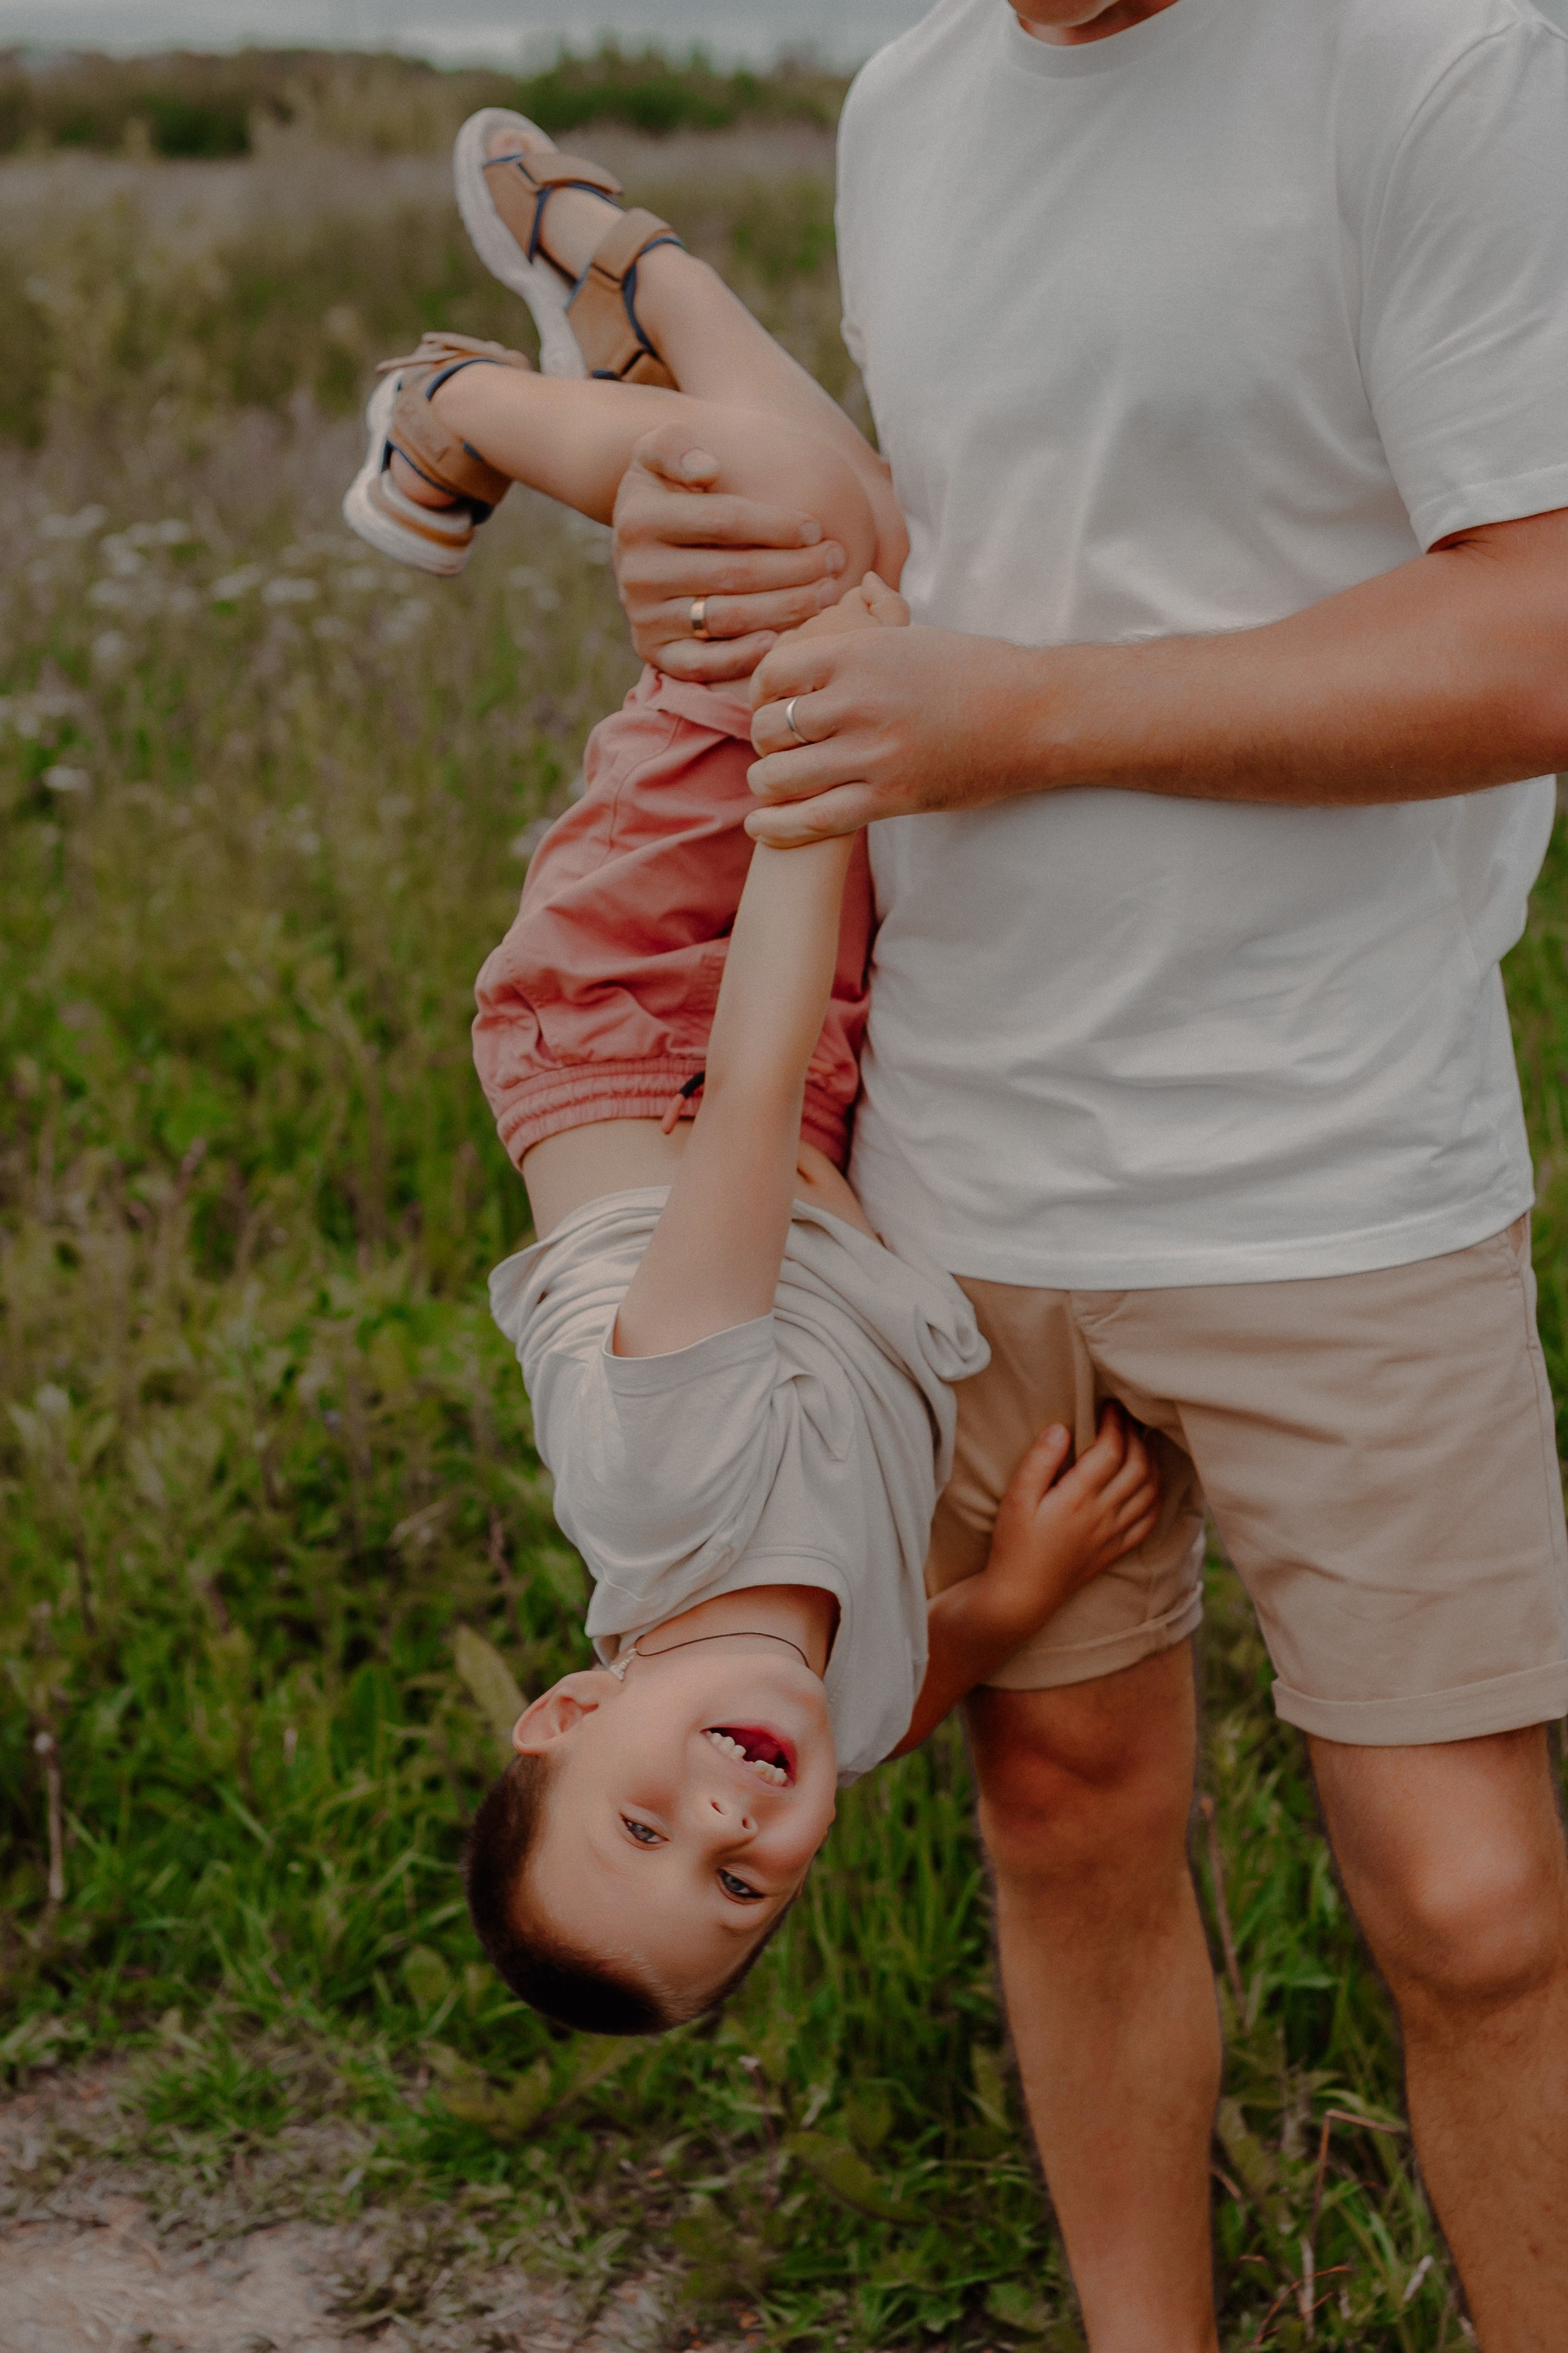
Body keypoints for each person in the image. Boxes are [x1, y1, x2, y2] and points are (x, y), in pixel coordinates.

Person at [604, 1, 1568, 2345]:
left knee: (1474, 1907)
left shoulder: (1435, 56)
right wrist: (739, 604)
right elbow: (962, 546)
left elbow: (1541, 622)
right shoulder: (908, 105)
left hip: (1344, 1166)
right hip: (977, 1168)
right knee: (1065, 1810)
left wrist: (1011, 710)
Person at [342, 118, 1160, 2037]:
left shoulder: (667, 1474)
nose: (729, 1816)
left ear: (570, 1708)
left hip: (642, 1010)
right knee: (863, 515)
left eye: (642, 1816)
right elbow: (914, 1685)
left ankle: (455, 405)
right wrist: (1021, 1599)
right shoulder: (844, 1699)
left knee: (788, 521)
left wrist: (830, 743)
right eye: (733, 1886)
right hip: (794, 1074)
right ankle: (624, 273)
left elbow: (741, 1079)